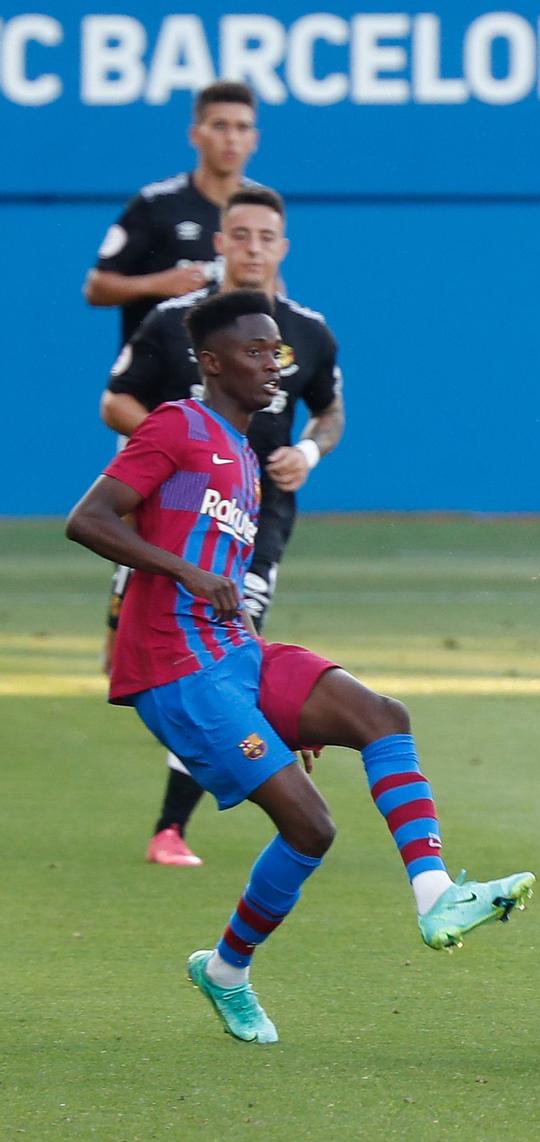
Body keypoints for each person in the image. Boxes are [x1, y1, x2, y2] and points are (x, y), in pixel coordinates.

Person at [65, 289, 532, 1045]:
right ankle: (225, 972)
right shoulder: (176, 426)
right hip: (177, 670)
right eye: (254, 350)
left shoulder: (246, 460)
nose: (272, 363)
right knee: (311, 828)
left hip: (234, 654)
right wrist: (180, 571)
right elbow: (88, 518)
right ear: (211, 363)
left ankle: (438, 893)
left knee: (381, 717)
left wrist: (284, 706)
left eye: (276, 350)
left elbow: (214, 560)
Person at [103, 186, 345, 868]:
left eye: (267, 237)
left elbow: (330, 410)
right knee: (169, 651)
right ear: (220, 242)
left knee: (231, 643)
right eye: (240, 235)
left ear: (283, 246)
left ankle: (172, 825)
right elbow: (114, 400)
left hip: (260, 516)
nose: (253, 248)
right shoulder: (176, 323)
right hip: (181, 508)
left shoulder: (309, 331)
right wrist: (183, 448)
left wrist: (309, 452)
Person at [83, 81, 262, 345]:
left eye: (242, 127)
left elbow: (271, 285)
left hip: (228, 375)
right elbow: (96, 288)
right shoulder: (157, 204)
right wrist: (157, 284)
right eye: (220, 126)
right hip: (156, 375)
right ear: (195, 135)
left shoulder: (258, 207)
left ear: (254, 140)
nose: (231, 139)